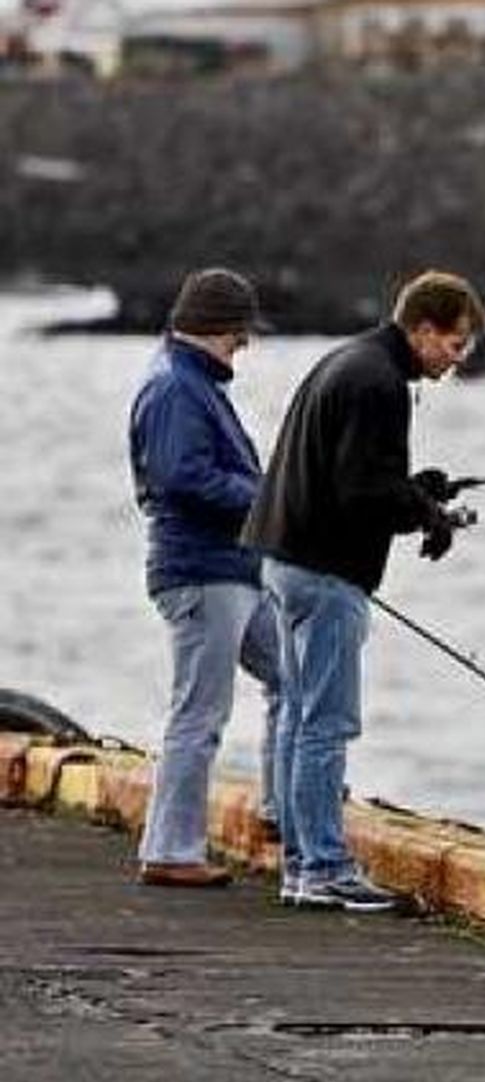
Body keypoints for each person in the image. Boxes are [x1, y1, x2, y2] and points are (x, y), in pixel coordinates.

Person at [243, 269, 485, 912]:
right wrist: (426, 515)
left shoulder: (347, 362)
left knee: (299, 717)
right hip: (325, 575)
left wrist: (419, 491)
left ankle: (301, 867)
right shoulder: (379, 383)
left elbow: (354, 475)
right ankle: (324, 867)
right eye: (456, 345)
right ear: (424, 329)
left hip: (283, 561)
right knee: (327, 724)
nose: (458, 361)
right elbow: (361, 494)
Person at [129, 267, 282, 888]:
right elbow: (180, 477)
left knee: (295, 675)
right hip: (201, 573)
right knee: (200, 712)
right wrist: (264, 498)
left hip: (236, 571)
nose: (244, 345)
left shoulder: (196, 383)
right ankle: (169, 849)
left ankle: (281, 809)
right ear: (218, 328)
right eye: (239, 333)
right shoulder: (174, 388)